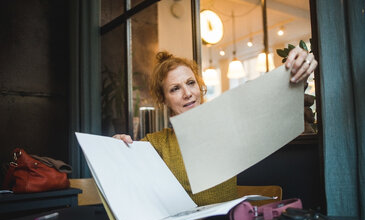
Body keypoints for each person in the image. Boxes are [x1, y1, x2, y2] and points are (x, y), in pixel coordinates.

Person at [113, 48, 318, 206]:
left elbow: (274, 103)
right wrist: (116, 148)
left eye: (191, 83)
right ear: (163, 99)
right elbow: (122, 173)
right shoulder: (156, 142)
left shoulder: (229, 125)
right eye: (175, 89)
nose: (188, 93)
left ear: (200, 86)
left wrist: (300, 63)